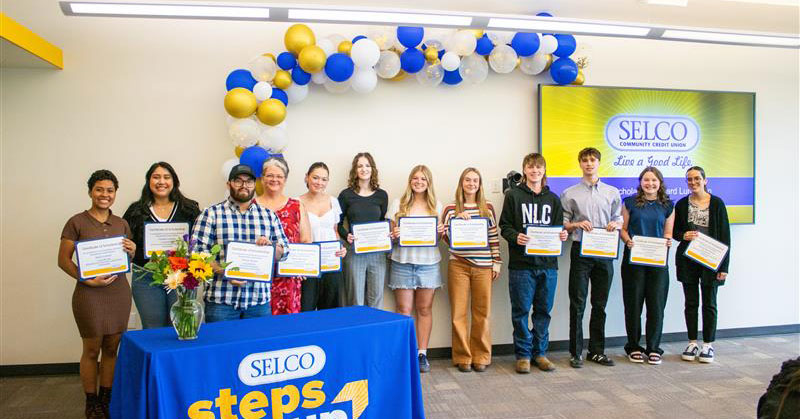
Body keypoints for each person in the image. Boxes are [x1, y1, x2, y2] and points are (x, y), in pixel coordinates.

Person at [57, 170, 136, 418]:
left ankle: (106, 399)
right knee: (91, 350)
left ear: (115, 193)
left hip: (118, 293)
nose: (105, 195)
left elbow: (125, 260)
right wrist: (86, 279)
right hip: (89, 295)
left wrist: (132, 250)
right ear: (90, 191)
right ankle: (91, 402)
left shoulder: (122, 223)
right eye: (99, 189)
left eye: (110, 190)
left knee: (112, 348)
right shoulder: (76, 222)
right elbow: (63, 260)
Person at [192, 164, 290, 322]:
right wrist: (225, 271)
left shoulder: (269, 216)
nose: (244, 185)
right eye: (238, 181)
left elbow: (285, 252)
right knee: (221, 339)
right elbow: (196, 254)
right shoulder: (210, 214)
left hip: (258, 302)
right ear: (228, 184)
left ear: (254, 184)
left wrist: (271, 248)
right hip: (221, 302)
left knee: (259, 339)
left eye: (249, 181)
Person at [500, 153, 568, 374]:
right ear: (524, 170)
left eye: (539, 167)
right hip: (521, 266)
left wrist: (563, 235)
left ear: (544, 170)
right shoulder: (513, 196)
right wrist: (515, 236)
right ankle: (523, 355)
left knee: (543, 311)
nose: (535, 171)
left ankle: (540, 353)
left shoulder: (553, 199)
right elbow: (505, 226)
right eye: (530, 167)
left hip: (548, 265)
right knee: (520, 311)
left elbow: (559, 228)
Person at [561, 147, 623, 368]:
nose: (589, 163)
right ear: (580, 163)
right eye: (585, 160)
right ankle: (576, 353)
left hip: (604, 252)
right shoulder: (569, 193)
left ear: (599, 163)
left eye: (593, 160)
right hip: (581, 252)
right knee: (577, 303)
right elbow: (564, 223)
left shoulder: (612, 192)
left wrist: (616, 224)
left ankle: (597, 352)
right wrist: (577, 224)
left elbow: (619, 218)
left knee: (600, 304)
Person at [123, 162, 201, 329]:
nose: (161, 182)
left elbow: (200, 241)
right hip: (146, 277)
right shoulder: (136, 210)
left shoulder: (189, 209)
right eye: (156, 177)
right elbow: (124, 243)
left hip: (180, 276)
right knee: (153, 328)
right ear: (148, 181)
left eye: (166, 177)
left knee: (180, 327)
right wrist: (133, 250)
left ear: (174, 181)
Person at [442, 168, 502, 373]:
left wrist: (496, 262)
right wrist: (457, 222)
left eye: (475, 180)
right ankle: (462, 357)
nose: (471, 184)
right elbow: (445, 237)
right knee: (458, 313)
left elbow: (493, 236)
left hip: (484, 266)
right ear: (461, 183)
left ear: (480, 184)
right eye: (467, 180)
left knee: (482, 313)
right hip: (458, 265)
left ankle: (481, 356)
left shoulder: (488, 208)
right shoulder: (451, 209)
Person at [388, 165, 444, 373]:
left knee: (424, 309)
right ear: (410, 181)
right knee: (403, 310)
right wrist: (394, 234)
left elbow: (438, 238)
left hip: (428, 263)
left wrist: (440, 232)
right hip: (402, 262)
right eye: (415, 178)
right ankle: (404, 353)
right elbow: (389, 236)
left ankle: (422, 354)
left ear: (429, 183)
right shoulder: (398, 203)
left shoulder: (436, 205)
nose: (419, 182)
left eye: (423, 179)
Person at [673, 166, 731, 363]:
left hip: (711, 260)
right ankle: (692, 342)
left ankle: (708, 344)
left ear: (705, 181)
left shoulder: (717, 203)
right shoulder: (681, 204)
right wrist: (683, 235)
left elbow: (725, 235)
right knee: (690, 303)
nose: (693, 182)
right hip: (688, 260)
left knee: (709, 303)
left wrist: (724, 267)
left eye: (697, 178)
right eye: (689, 179)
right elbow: (675, 232)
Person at [620, 167, 675, 365]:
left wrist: (667, 241)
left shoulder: (668, 205)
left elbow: (668, 232)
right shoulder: (629, 202)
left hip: (657, 263)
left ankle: (653, 348)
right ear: (640, 182)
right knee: (633, 305)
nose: (650, 183)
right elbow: (623, 229)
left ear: (660, 183)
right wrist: (628, 241)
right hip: (633, 262)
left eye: (653, 180)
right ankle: (633, 346)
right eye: (646, 180)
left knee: (656, 306)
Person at [256, 157, 312, 315]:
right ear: (262, 178)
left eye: (279, 176)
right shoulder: (252, 206)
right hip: (258, 276)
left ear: (285, 180)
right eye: (270, 175)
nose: (274, 179)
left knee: (287, 322)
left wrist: (302, 266)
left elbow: (306, 240)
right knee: (259, 323)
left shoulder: (296, 206)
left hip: (289, 276)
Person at [337, 152, 389, 308]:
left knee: (376, 301)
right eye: (360, 166)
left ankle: (374, 325)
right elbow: (338, 224)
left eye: (367, 165)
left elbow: (383, 222)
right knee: (355, 301)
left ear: (372, 169)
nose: (364, 169)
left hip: (377, 253)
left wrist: (386, 234)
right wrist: (347, 235)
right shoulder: (345, 195)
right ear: (355, 170)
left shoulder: (382, 195)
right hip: (354, 252)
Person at [298, 162, 347, 311]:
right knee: (306, 309)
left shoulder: (333, 201)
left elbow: (335, 231)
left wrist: (341, 248)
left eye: (324, 179)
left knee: (331, 311)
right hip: (307, 264)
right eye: (315, 177)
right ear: (307, 177)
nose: (319, 182)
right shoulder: (296, 202)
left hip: (331, 262)